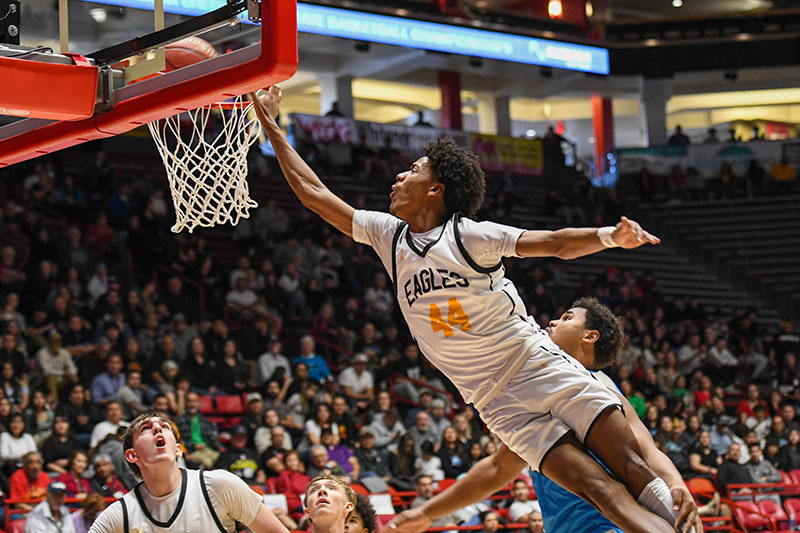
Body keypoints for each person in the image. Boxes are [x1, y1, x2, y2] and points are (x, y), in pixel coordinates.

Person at [255, 86, 674, 533]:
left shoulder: (470, 235)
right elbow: (315, 194)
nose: (398, 177)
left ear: (436, 188)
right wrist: (272, 126)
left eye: (412, 170)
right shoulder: (388, 236)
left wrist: (610, 235)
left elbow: (552, 243)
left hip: (532, 363)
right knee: (600, 492)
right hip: (494, 402)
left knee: (629, 468)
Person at [381, 299, 701, 533]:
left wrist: (675, 485)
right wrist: (427, 512)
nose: (552, 322)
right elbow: (498, 467)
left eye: (566, 318)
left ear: (589, 336)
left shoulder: (598, 386)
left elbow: (646, 452)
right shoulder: (542, 389)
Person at [88, 411, 289, 533]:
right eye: (146, 429)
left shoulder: (219, 485)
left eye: (165, 426)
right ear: (132, 455)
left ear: (178, 449)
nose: (157, 428)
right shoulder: (120, 515)